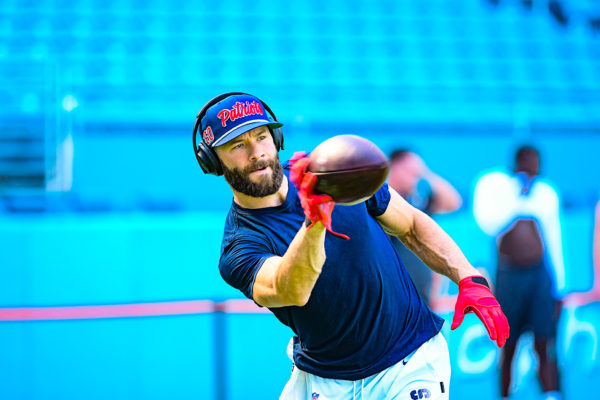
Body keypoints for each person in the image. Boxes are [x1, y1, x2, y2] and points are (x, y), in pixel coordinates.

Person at [193, 92, 509, 399]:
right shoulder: (240, 243)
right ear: (213, 162)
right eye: (237, 145)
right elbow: (290, 289)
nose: (255, 152)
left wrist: (468, 277)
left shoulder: (333, 173)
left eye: (261, 136)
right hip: (324, 379)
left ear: (276, 139)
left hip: (409, 361)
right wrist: (316, 219)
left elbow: (411, 225)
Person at [473, 145, 564, 400]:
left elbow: (554, 238)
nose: (531, 167)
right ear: (516, 163)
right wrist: (519, 195)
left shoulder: (546, 194)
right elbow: (490, 225)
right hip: (509, 276)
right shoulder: (498, 188)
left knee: (544, 341)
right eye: (527, 161)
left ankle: (551, 394)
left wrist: (559, 286)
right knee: (507, 343)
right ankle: (504, 395)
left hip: (539, 276)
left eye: (535, 162)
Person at [387, 150, 462, 305]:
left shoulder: (416, 202)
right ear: (395, 167)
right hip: (393, 293)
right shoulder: (381, 202)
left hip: (420, 295)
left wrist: (425, 173)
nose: (414, 179)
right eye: (410, 172)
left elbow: (453, 203)